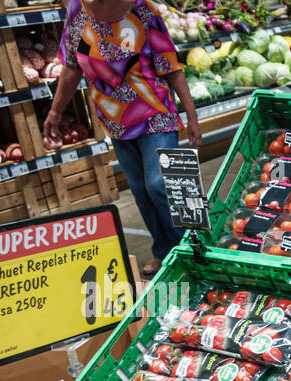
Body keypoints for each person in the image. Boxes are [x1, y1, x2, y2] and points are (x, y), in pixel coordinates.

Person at [44, 0, 201, 278]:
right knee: (140, 189)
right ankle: (164, 251)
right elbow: (71, 67)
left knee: (161, 183)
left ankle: (195, 250)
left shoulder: (142, 8)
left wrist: (191, 114)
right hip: (114, 119)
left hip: (155, 108)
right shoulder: (76, 10)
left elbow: (170, 64)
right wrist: (55, 112)